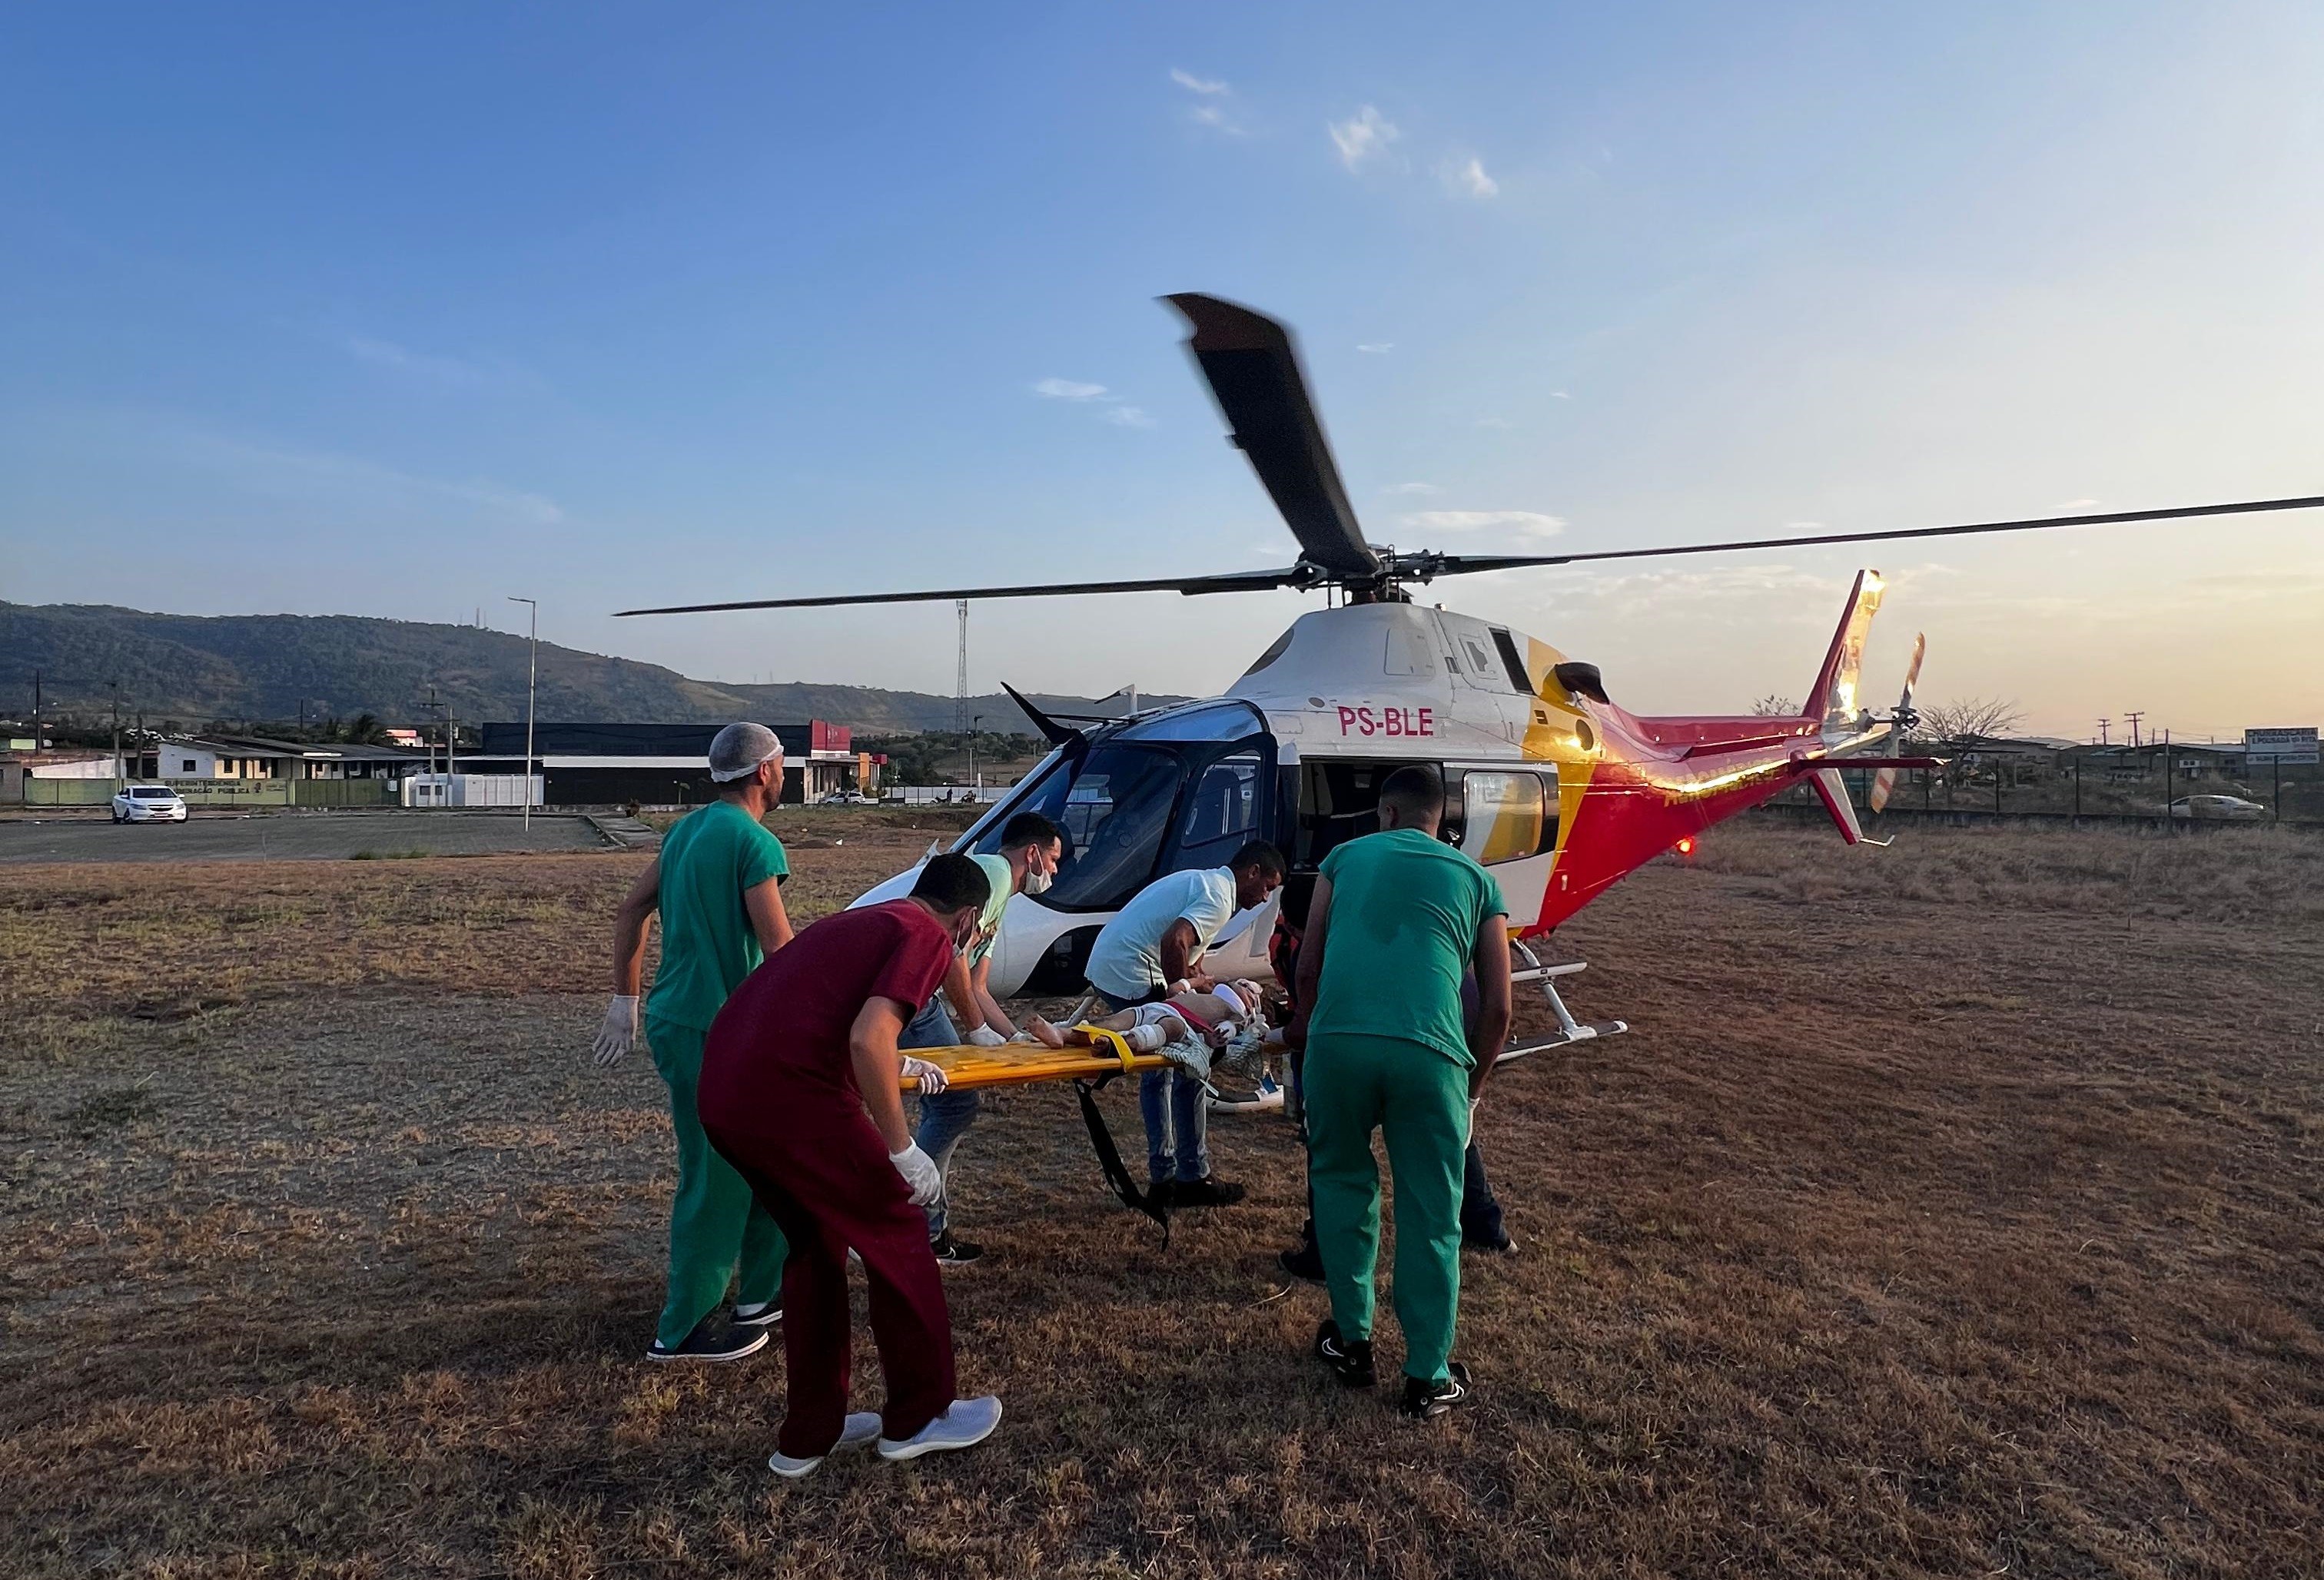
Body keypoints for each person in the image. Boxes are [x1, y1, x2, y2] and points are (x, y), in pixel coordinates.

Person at [697, 853, 1004, 1477]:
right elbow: (868, 1037)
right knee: (897, 1226)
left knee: (816, 1245)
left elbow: (830, 1023)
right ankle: (921, 1416)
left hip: (725, 1096)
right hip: (790, 1097)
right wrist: (901, 1149)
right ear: (968, 918)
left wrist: (896, 1065)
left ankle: (809, 1434)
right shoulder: (925, 934)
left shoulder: (865, 920)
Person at [1290, 765, 1512, 1419]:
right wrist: (1470, 1091)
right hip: (1433, 1053)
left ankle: (1351, 1342)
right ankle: (1426, 1376)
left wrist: (1313, 1040)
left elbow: (1308, 966)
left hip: (1340, 1045)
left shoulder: (1344, 856)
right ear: (1439, 821)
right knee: (1431, 1214)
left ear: (1385, 815)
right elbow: (1498, 1009)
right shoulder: (1478, 880)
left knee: (1341, 1183)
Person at [594, 722, 795, 1363]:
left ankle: (762, 1294)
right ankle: (682, 1330)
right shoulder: (754, 843)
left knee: (770, 1159)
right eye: (783, 764)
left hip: (680, 1019)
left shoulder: (687, 830)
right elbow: (780, 953)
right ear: (764, 772)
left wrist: (625, 998)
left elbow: (631, 909)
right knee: (718, 1173)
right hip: (725, 1028)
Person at [895, 812, 1064, 1264]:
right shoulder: (990, 875)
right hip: (918, 995)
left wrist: (1013, 1040)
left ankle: (924, 1227)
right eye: (1053, 859)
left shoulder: (1002, 894)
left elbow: (978, 986)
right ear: (1032, 853)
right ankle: (915, 1223)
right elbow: (949, 954)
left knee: (953, 1104)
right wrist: (975, 1029)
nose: (1054, 872)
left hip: (923, 998)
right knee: (954, 1104)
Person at [1084, 841, 1286, 1207]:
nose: (1266, 897)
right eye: (1268, 887)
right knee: (1189, 1065)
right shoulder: (1220, 899)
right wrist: (1184, 1006)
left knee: (1165, 1071)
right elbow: (1174, 940)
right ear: (1252, 872)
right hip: (1131, 973)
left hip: (1110, 967)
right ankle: (1189, 1176)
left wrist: (1200, 982)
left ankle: (1169, 1175)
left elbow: (1186, 954)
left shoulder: (1207, 882)